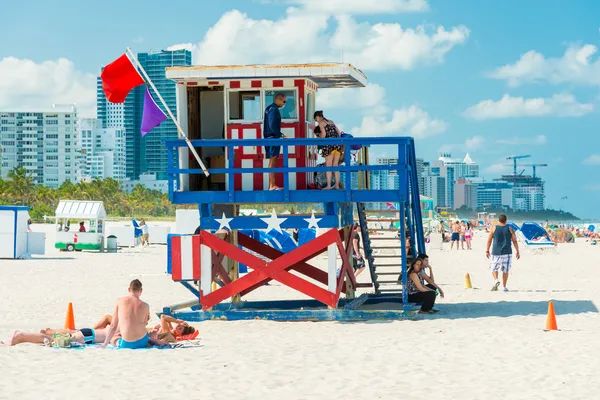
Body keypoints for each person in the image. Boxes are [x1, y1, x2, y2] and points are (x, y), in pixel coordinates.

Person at [101, 279, 151, 349]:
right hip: (143, 341)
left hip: (127, 343)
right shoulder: (146, 306)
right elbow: (145, 323)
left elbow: (113, 325)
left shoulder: (120, 301)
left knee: (113, 338)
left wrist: (104, 344)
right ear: (141, 290)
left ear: (129, 289)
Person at [486, 214, 520, 292]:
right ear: (506, 220)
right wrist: (517, 251)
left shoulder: (494, 228)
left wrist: (487, 250)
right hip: (507, 252)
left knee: (494, 268)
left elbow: (489, 240)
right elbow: (514, 241)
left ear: (499, 220)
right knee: (505, 270)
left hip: (496, 252)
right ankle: (504, 287)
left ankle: (496, 280)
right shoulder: (510, 228)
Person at [263, 93, 287, 191]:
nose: (284, 104)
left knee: (272, 161)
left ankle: (272, 185)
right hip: (273, 138)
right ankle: (272, 186)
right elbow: (272, 125)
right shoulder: (273, 109)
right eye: (284, 101)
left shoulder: (269, 108)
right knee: (273, 161)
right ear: (278, 99)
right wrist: (281, 135)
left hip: (269, 138)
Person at [314, 111, 343, 190]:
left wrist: (321, 139)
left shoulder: (321, 123)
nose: (317, 122)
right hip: (337, 145)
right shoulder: (331, 121)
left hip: (329, 145)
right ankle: (337, 186)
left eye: (316, 120)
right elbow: (339, 133)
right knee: (335, 166)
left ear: (317, 117)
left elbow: (323, 134)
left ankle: (329, 185)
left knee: (328, 166)